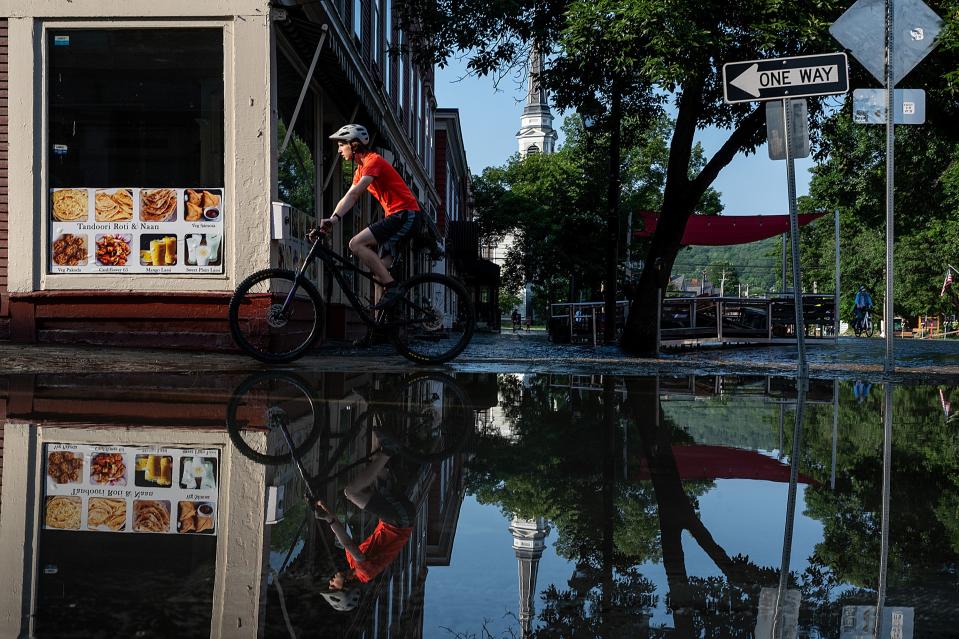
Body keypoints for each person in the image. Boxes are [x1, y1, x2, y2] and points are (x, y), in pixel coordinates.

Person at [320, 124, 424, 347]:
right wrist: (333, 219)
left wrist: (335, 220)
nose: (339, 150)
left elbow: (357, 193)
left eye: (341, 145)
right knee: (379, 276)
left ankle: (393, 287)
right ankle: (379, 330)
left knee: (355, 243)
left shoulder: (373, 161)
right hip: (398, 216)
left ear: (353, 145)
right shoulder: (360, 169)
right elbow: (349, 196)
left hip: (405, 215)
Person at [316, 430, 416, 612]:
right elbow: (347, 543)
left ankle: (379, 423)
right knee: (351, 492)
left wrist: (324, 509)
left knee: (376, 463)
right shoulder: (365, 573)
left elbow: (341, 532)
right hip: (399, 519)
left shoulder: (352, 563)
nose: (331, 581)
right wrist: (329, 520)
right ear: (345, 587)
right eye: (333, 586)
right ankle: (389, 449)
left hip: (394, 517)